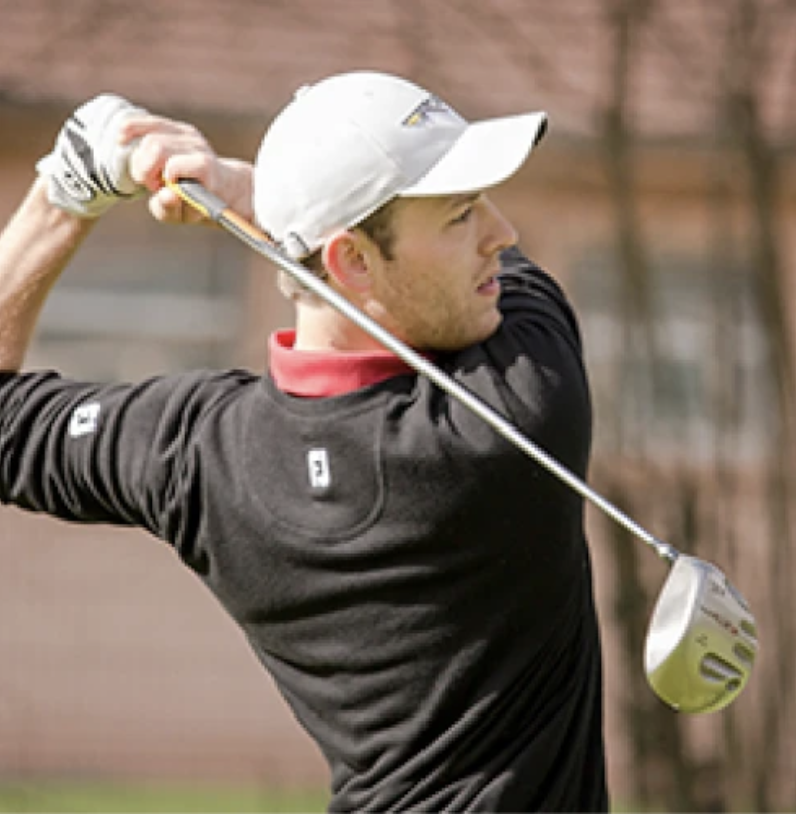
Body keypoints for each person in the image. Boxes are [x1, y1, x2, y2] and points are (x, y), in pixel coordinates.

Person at [0, 72, 608, 812]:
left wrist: (64, 193)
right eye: (459, 216)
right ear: (351, 261)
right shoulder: (515, 413)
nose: (501, 235)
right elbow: (516, 283)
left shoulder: (199, 456)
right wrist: (251, 193)